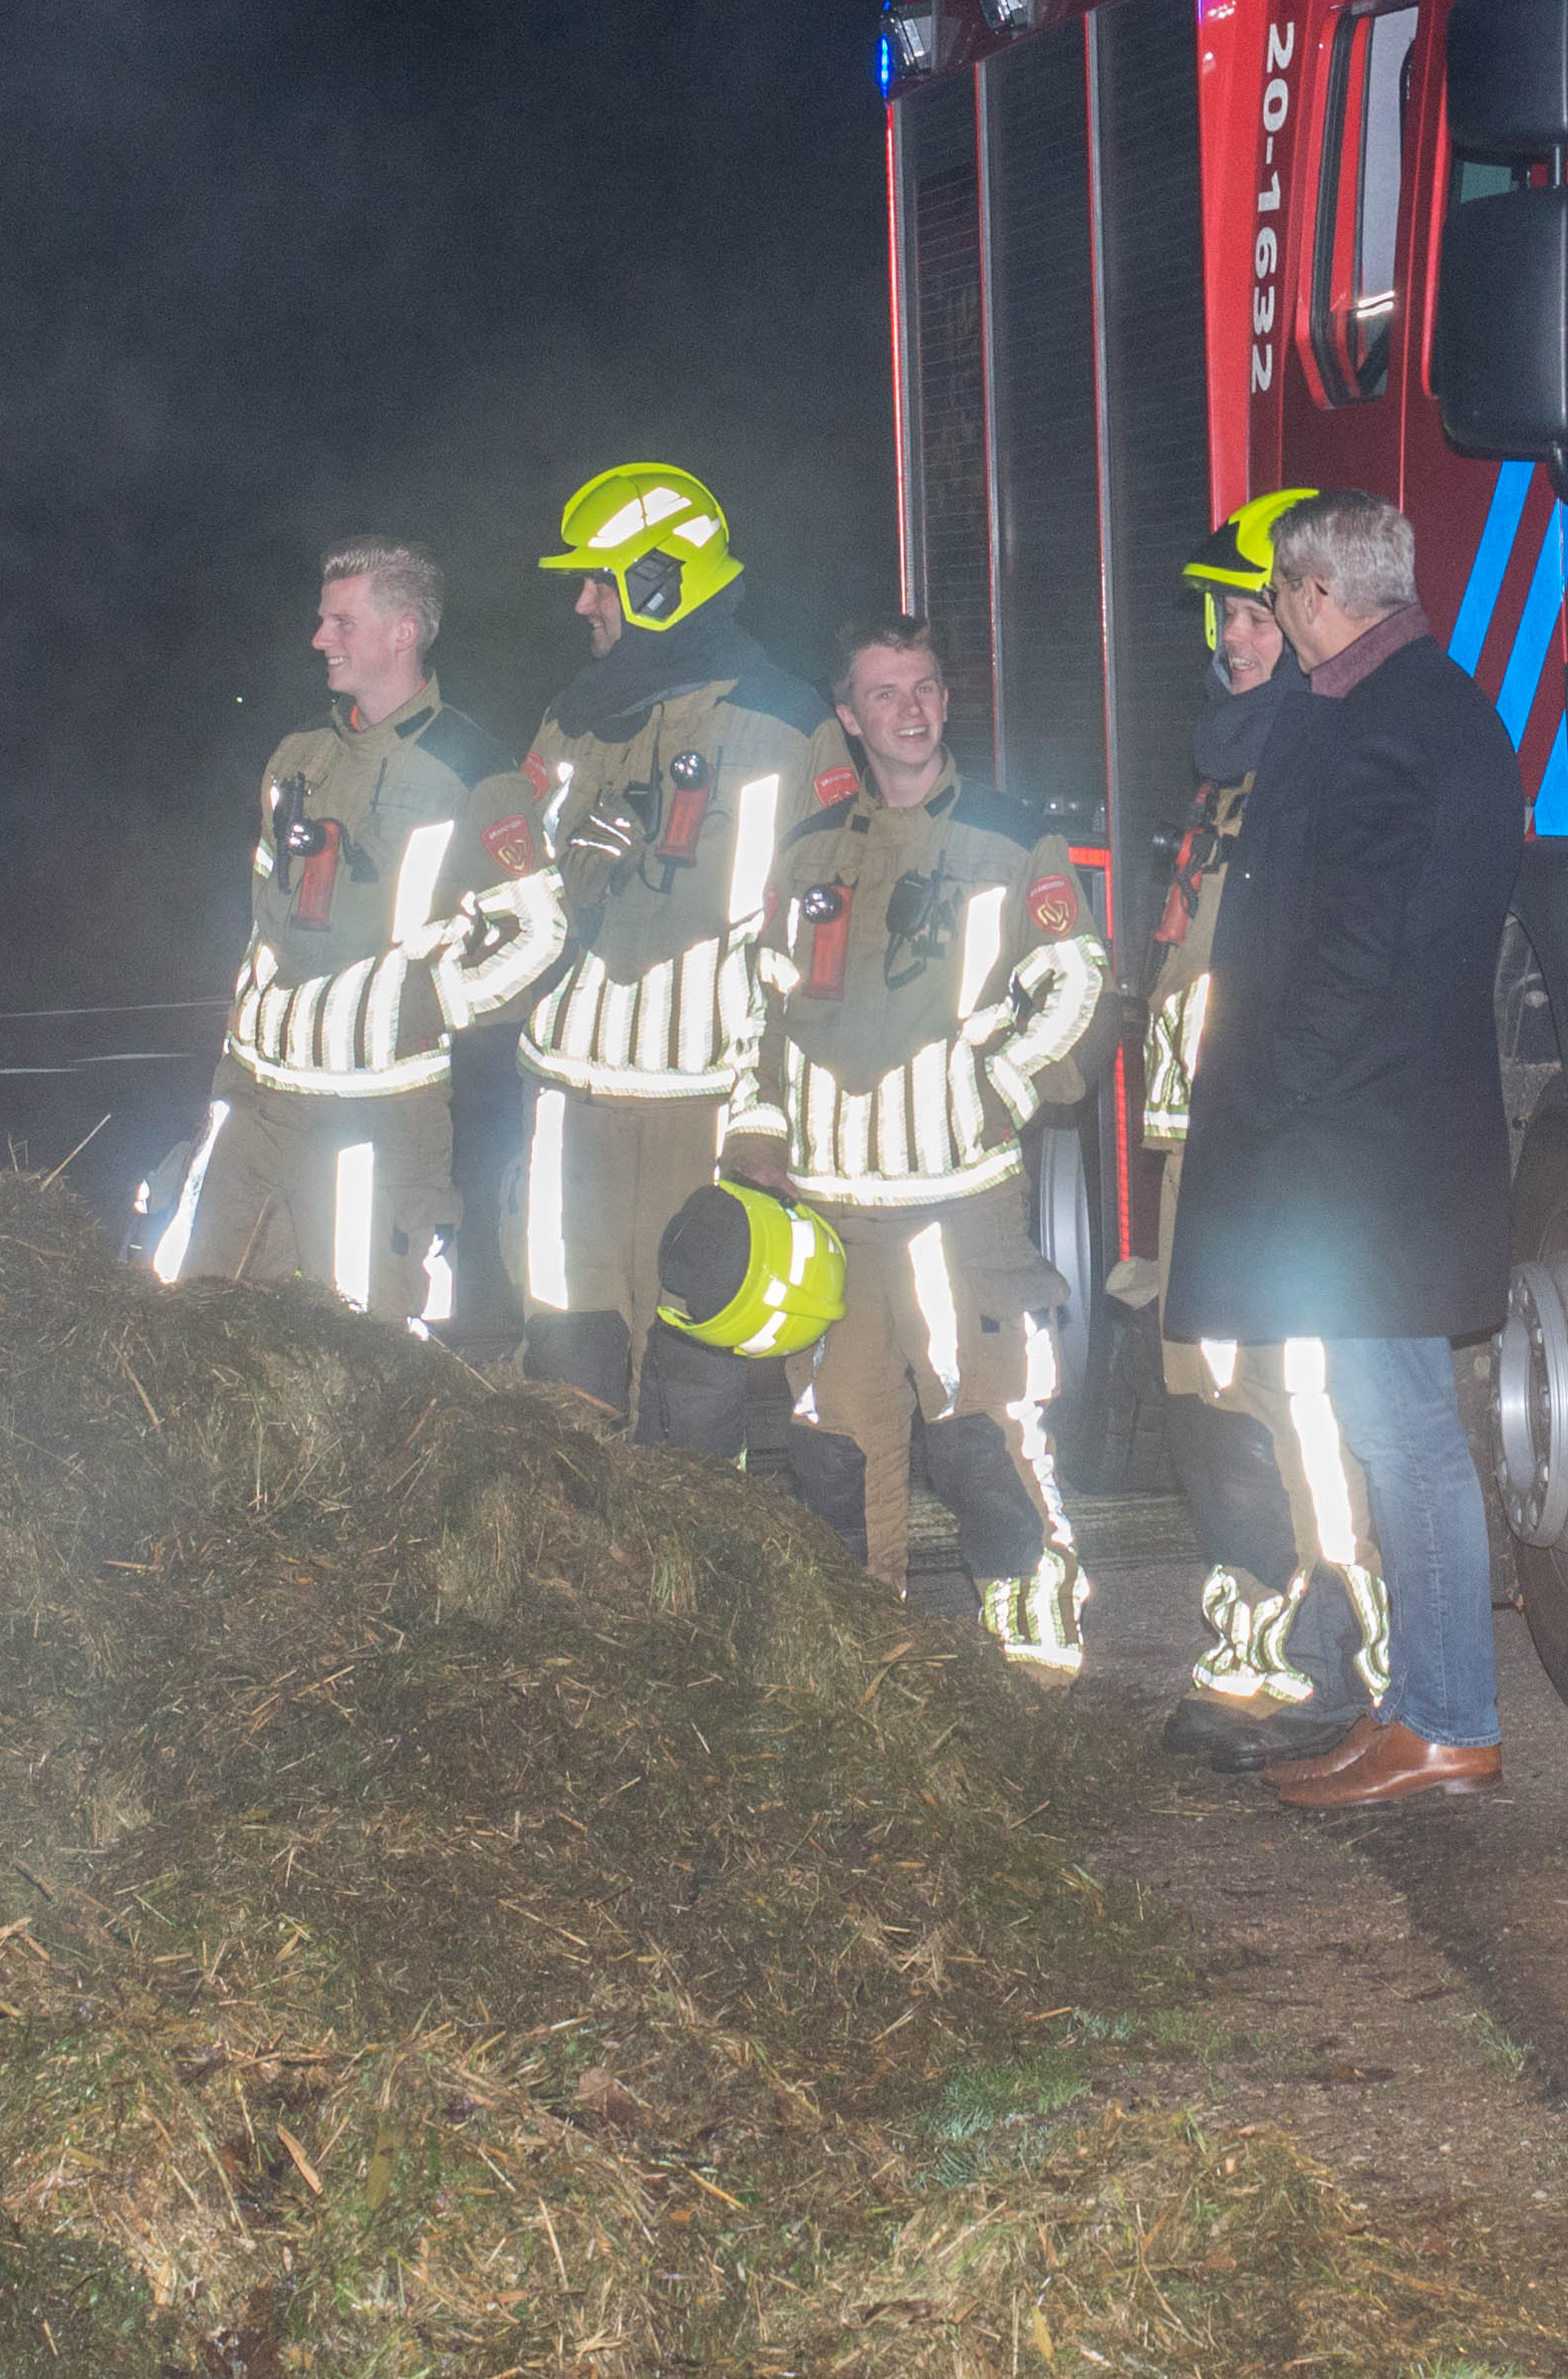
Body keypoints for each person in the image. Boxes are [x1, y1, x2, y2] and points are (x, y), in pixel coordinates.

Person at [1169, 487, 1524, 1812]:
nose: (1266, 617)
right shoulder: (1425, 700)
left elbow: (1346, 950)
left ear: (1318, 595)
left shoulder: (1382, 726)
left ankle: (1444, 1717)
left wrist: (1272, 1094)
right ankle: (1420, 1705)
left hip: (1366, 1147)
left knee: (1405, 1433)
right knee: (1396, 1427)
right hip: (1392, 1142)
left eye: (1274, 595)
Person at [726, 616, 1108, 1676]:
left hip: (958, 1208)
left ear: (947, 700)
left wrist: (1000, 1082)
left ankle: (1035, 1645)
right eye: (884, 694)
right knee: (836, 1451)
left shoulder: (1009, 835)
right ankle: (865, 1657)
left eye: (925, 688)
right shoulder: (806, 852)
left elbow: (1076, 983)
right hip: (827, 1209)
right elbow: (760, 1003)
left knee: (982, 1436)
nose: (909, 709)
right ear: (849, 716)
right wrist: (756, 1130)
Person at [1124, 492, 1387, 1770]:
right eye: (1223, 610)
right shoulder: (1236, 755)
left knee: (1304, 1408)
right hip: (1203, 1145)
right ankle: (1251, 1660)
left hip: (1282, 1146)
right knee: (1211, 1405)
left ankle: (1355, 1671)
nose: (1233, 631)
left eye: (1255, 607)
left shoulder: (1326, 757)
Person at [489, 460, 834, 1437]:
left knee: (696, 1397)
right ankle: (580, 1593)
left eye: (599, 578)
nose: (581, 601)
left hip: (707, 1117)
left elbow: (815, 960)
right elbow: (505, 906)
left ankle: (690, 1593)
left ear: (658, 578)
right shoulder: (570, 721)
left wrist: (766, 1117)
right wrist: (566, 886)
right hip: (568, 1108)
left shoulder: (790, 727)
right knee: (565, 1382)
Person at [161, 537, 542, 1331]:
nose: (319, 639)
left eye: (341, 621)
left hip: (376, 1120)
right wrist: (233, 1060)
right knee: (199, 1328)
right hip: (256, 1104)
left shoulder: (474, 769)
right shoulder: (296, 756)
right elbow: (259, 921)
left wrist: (421, 1005)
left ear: (403, 631)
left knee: (363, 1351)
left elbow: (539, 936)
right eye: (321, 620)